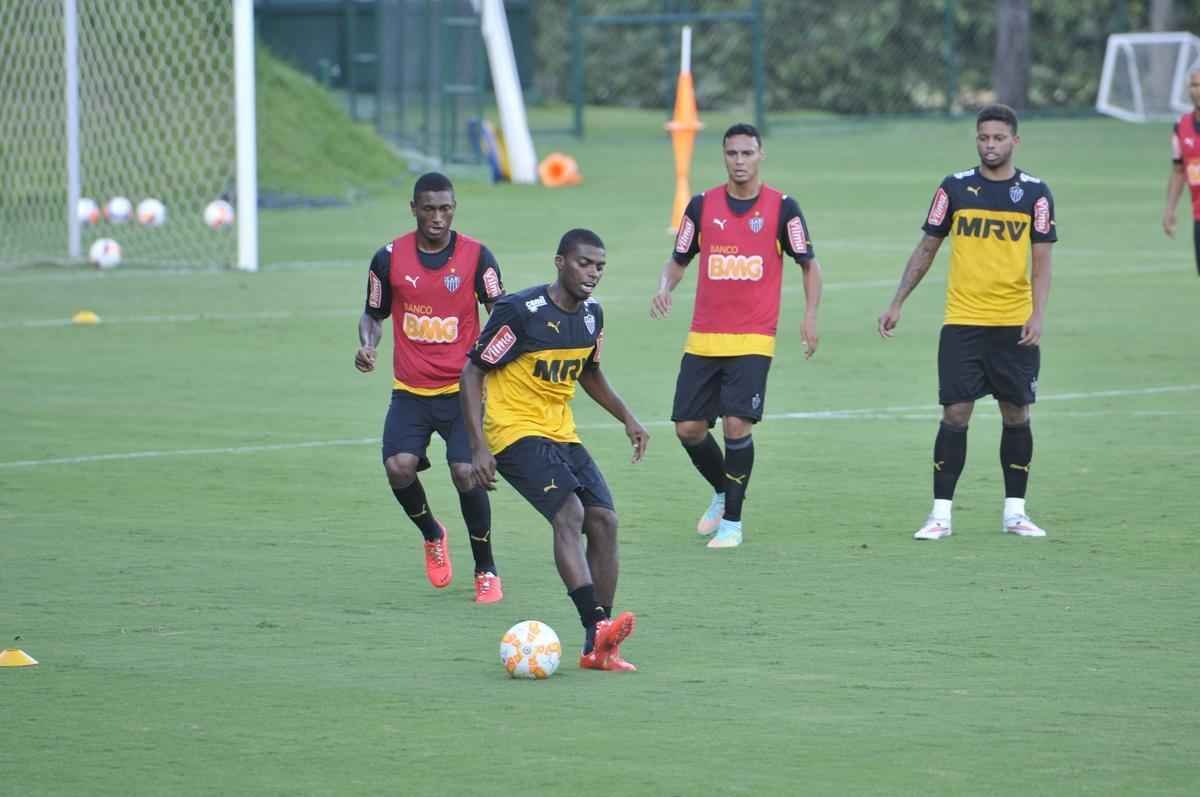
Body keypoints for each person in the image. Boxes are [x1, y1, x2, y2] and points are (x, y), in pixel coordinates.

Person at [460, 229, 649, 672]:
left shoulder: (591, 317)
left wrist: (628, 417)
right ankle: (597, 624)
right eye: (584, 263)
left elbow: (590, 372)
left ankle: (596, 650)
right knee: (570, 513)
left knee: (604, 520)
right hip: (512, 432)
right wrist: (479, 446)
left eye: (600, 266)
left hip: (561, 432)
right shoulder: (519, 313)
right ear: (560, 262)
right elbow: (472, 372)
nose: (593, 273)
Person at [877, 104, 1057, 540]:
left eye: (998, 138)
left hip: (1013, 324)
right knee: (956, 413)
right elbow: (927, 247)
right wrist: (898, 300)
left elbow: (1042, 261)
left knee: (1017, 413)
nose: (990, 145)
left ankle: (1015, 513)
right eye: (983, 138)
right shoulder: (954, 188)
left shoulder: (1035, 193)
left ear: (1015, 141)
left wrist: (1037, 314)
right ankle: (940, 514)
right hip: (963, 321)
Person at [649, 122, 823, 549]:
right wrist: (664, 287)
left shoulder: (783, 208)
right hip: (704, 337)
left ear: (761, 155)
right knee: (688, 429)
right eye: (732, 154)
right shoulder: (701, 206)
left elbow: (809, 264)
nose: (740, 162)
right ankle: (723, 490)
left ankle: (733, 523)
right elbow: (678, 259)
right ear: (724, 156)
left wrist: (810, 315)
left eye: (747, 153)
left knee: (735, 423)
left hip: (753, 338)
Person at [355, 172, 507, 601]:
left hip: (463, 392)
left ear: (454, 208)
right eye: (429, 209)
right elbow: (373, 314)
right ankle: (432, 533)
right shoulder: (388, 259)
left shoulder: (478, 257)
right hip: (411, 391)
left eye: (446, 209)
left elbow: (501, 312)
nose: (438, 218)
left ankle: (486, 569)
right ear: (414, 209)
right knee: (398, 466)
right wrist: (367, 345)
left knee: (466, 473)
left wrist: (493, 360)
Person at [1162, 68, 1200, 276]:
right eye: (1194, 85)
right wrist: (1170, 209)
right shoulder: (1182, 127)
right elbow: (1178, 170)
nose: (1198, 90)